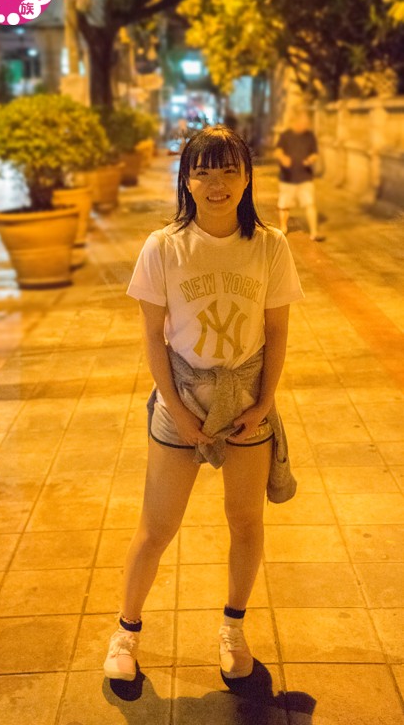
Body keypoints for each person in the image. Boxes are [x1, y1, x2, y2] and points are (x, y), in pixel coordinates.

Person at [103, 125, 305, 684]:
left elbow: (277, 332)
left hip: (246, 400)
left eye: (229, 170)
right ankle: (126, 630)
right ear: (186, 181)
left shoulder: (270, 245)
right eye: (203, 172)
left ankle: (234, 629)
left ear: (247, 177)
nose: (217, 184)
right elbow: (153, 337)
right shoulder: (163, 246)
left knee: (245, 520)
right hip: (182, 398)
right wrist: (176, 407)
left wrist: (264, 404)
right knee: (157, 526)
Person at [274, 107, 325, 241]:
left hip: (304, 176)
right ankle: (283, 227)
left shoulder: (310, 136)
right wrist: (283, 159)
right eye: (303, 122)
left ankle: (314, 232)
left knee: (310, 204)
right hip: (287, 177)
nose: (305, 125)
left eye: (307, 122)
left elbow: (315, 153)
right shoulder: (286, 135)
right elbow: (278, 151)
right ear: (295, 121)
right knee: (284, 204)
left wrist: (311, 159)